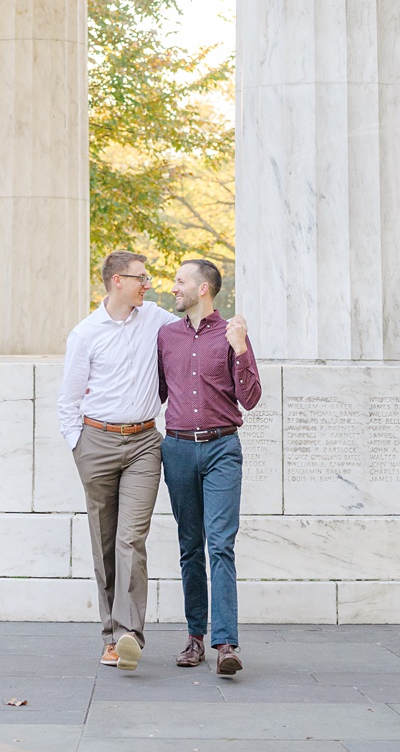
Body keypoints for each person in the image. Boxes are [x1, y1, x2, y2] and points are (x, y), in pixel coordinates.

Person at [58, 248, 177, 671]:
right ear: (116, 281)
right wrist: (79, 447)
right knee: (105, 543)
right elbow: (68, 401)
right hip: (97, 443)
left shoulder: (158, 320)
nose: (147, 284)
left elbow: (196, 328)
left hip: (145, 443)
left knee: (131, 539)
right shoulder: (85, 334)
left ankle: (130, 634)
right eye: (140, 277)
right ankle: (110, 636)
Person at [158, 257, 260, 678]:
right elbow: (157, 390)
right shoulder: (166, 336)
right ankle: (195, 638)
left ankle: (226, 644)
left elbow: (251, 399)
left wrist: (240, 350)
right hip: (178, 450)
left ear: (203, 288)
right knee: (189, 547)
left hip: (222, 450)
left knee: (220, 545)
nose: (174, 287)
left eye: (181, 281)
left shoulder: (232, 334)